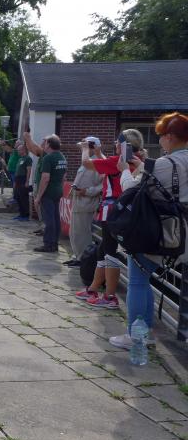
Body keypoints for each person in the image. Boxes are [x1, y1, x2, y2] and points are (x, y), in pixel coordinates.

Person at [109, 113, 188, 349]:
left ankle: (136, 335)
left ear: (170, 137)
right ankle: (146, 332)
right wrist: (144, 166)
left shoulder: (164, 164)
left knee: (138, 282)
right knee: (145, 281)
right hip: (182, 234)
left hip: (158, 233)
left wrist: (125, 170)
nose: (160, 139)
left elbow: (131, 190)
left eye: (161, 135)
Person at [75, 129, 144, 309]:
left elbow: (87, 163)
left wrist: (85, 149)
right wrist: (99, 153)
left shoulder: (119, 160)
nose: (115, 144)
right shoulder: (136, 160)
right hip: (122, 210)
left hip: (112, 210)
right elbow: (109, 167)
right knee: (103, 251)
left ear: (124, 145)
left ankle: (110, 296)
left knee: (110, 253)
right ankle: (93, 289)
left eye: (117, 142)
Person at [63, 137, 103, 266]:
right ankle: (77, 255)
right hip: (79, 201)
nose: (82, 149)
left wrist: (87, 191)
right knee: (75, 232)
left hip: (87, 203)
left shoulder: (100, 162)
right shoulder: (87, 160)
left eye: (84, 147)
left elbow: (103, 185)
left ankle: (83, 259)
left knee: (83, 233)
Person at [31, 134, 67, 252]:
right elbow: (64, 177)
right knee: (56, 218)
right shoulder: (62, 157)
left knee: (49, 219)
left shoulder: (48, 158)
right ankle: (55, 243)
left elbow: (45, 178)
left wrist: (38, 196)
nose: (44, 144)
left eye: (46, 142)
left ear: (49, 145)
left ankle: (48, 244)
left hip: (48, 192)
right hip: (57, 191)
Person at [11, 144, 33, 221]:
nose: (18, 151)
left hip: (23, 179)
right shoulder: (20, 159)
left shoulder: (28, 158)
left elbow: (29, 170)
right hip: (17, 180)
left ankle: (26, 215)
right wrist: (15, 182)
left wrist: (27, 181)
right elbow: (17, 170)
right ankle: (21, 214)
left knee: (24, 198)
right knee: (18, 197)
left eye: (19, 150)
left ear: (23, 150)